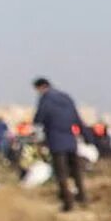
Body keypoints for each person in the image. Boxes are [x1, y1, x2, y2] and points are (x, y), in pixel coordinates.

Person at [33, 77, 88, 210]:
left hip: (56, 140)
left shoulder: (45, 99)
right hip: (71, 139)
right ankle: (82, 196)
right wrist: (88, 138)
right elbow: (77, 119)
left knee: (61, 173)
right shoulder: (66, 97)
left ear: (41, 87)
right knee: (76, 171)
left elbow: (39, 118)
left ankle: (68, 202)